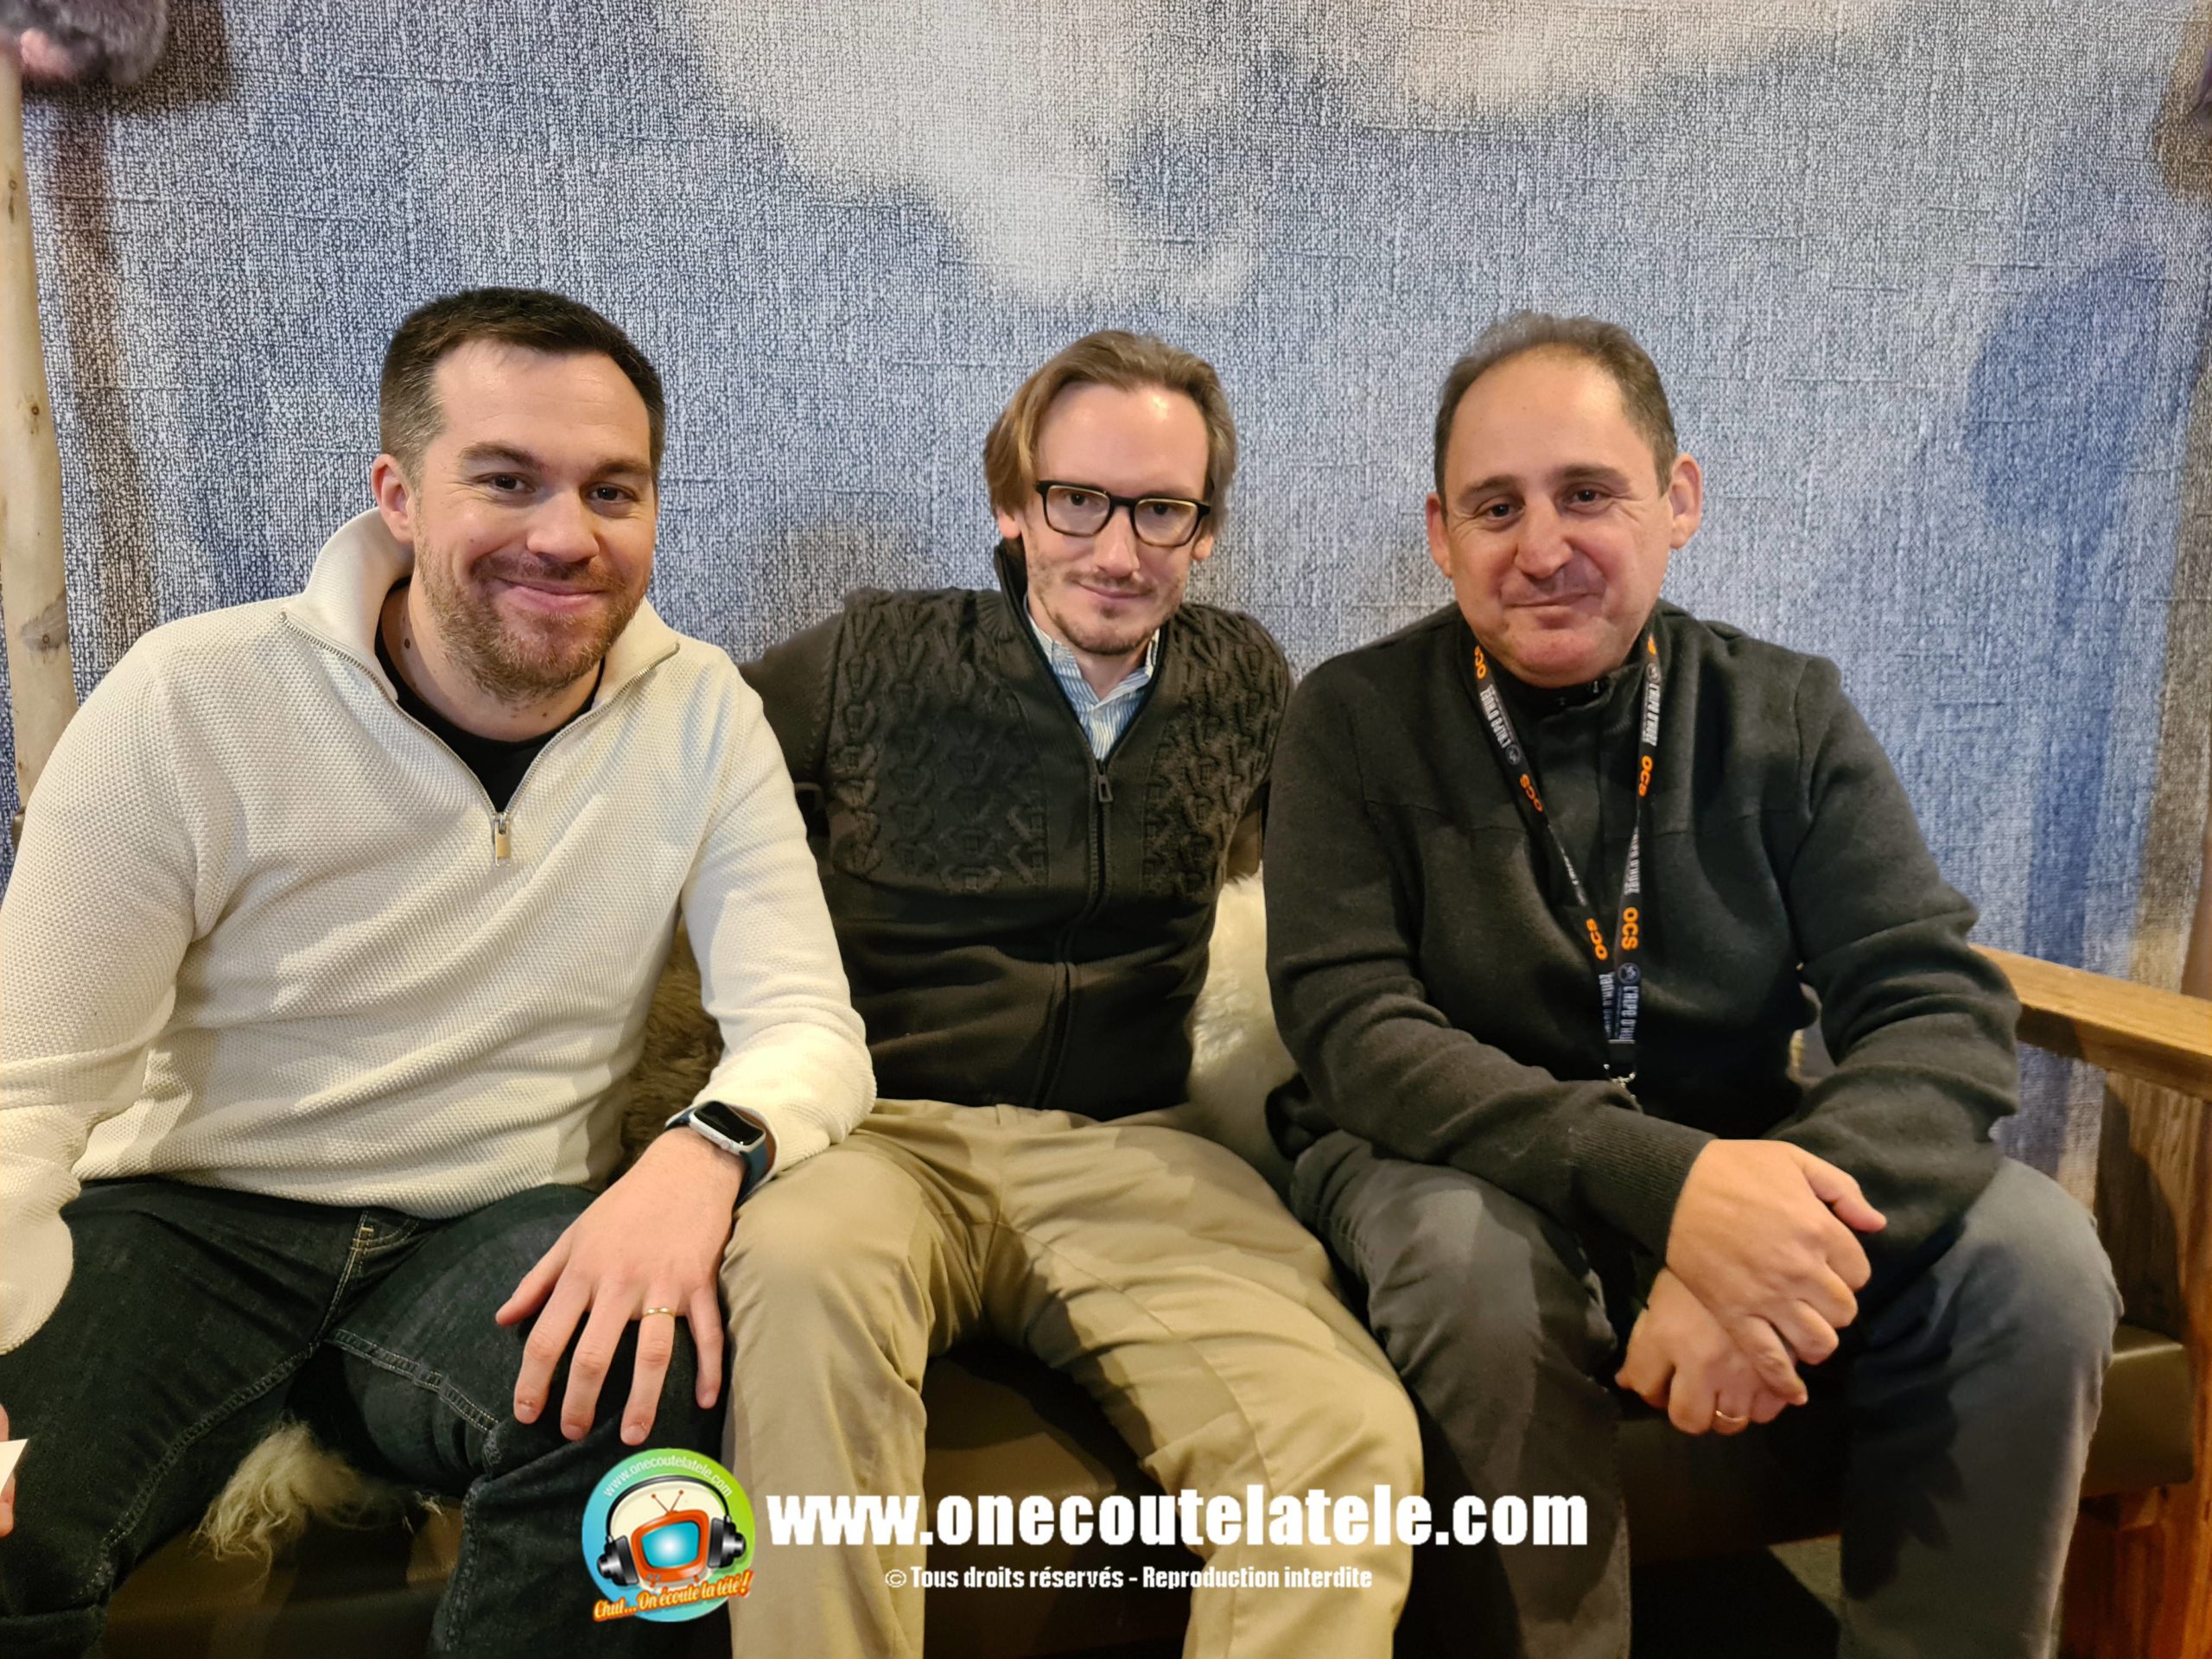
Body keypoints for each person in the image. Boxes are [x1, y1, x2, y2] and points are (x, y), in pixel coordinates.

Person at [0, 287, 874, 1657]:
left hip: (492, 1231)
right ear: (399, 497)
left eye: (612, 490)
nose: (566, 535)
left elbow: (808, 1026)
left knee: (651, 1404)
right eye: (507, 481)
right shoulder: (190, 697)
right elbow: (26, 1092)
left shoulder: (704, 712)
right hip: (185, 1223)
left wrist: (702, 1154)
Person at [1263, 311, 2120, 1657]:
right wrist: (1676, 1190)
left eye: (1587, 493)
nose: (1541, 545)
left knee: (2035, 1262)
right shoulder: (1351, 718)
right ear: (1442, 534)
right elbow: (1357, 1033)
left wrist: (1755, 1249)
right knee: (1470, 1272)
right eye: (1497, 506)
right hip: (1457, 1171)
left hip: (1744, 1151)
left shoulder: (1786, 711)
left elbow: (1931, 1005)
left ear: (1679, 501)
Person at [721, 330, 1421, 1657]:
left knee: (1343, 1439)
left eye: (1162, 511)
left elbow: (1360, 886)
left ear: (1206, 531)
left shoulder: (1245, 681)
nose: (1118, 550)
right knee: (799, 1281)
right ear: (1013, 502)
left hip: (1135, 1150)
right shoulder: (871, 658)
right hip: (879, 1138)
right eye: (1078, 501)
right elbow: (684, 799)